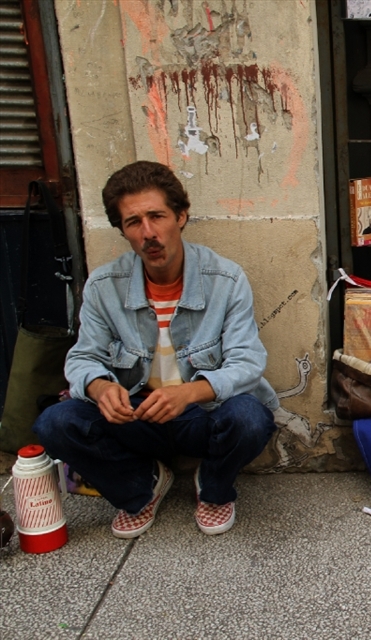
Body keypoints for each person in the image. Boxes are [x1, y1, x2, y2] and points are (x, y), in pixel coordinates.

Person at [32, 161, 278, 538]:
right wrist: (100, 387)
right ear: (123, 231)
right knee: (54, 422)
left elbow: (248, 361)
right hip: (135, 417)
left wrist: (188, 393)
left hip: (202, 415)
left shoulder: (225, 279)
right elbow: (83, 358)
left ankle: (213, 489)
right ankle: (140, 486)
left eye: (157, 216)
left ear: (180, 216)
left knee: (250, 418)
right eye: (134, 222)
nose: (148, 233)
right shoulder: (104, 286)